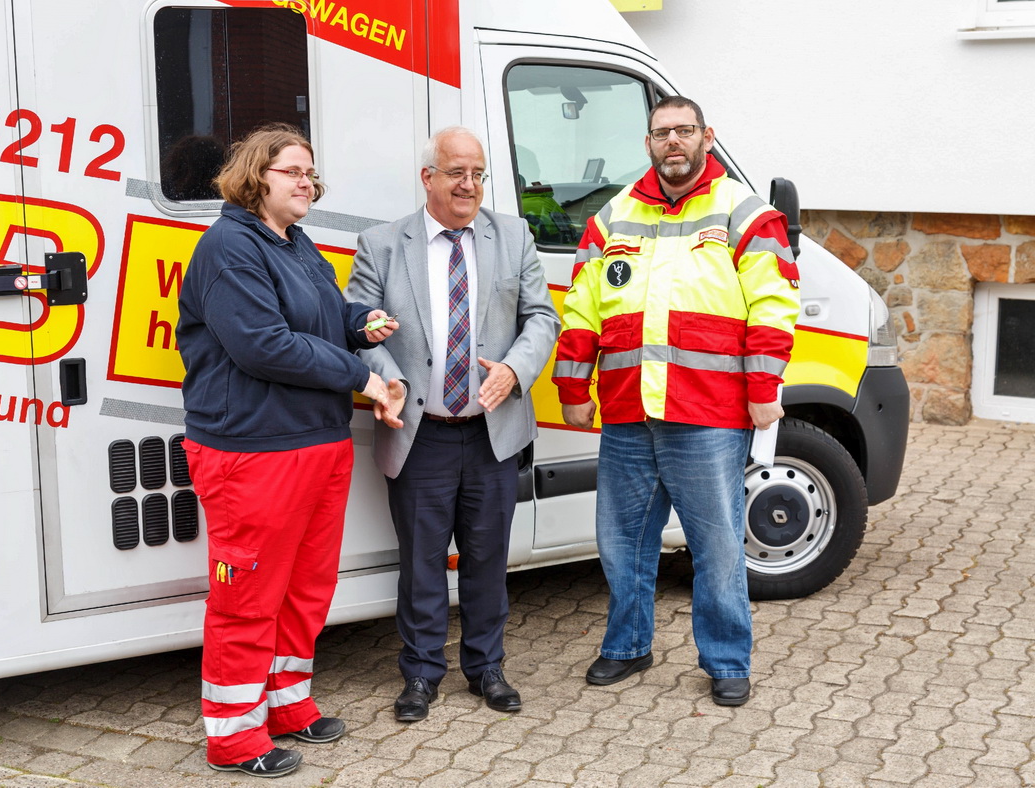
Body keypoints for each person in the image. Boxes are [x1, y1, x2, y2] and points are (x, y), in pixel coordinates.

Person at [552, 97, 801, 707]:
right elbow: (583, 308)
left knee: (716, 546)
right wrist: (571, 385)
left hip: (708, 414)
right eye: (662, 133)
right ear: (648, 144)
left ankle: (726, 660)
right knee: (622, 542)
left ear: (706, 137)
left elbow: (773, 307)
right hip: (629, 412)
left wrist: (764, 389)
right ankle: (627, 646)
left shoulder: (745, 213)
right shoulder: (612, 217)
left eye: (684, 131)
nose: (673, 143)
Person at [176, 123, 403, 778]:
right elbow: (262, 345)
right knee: (247, 596)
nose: (308, 182)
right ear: (255, 176)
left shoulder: (296, 244)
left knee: (305, 588)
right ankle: (234, 737)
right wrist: (363, 376)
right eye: (293, 171)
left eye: (311, 172)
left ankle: (286, 700)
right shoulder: (227, 247)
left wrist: (360, 323)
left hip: (316, 444)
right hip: (253, 452)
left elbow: (324, 314)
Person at [345, 126, 560, 722]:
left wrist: (515, 371)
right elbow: (358, 323)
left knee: (489, 557)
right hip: (422, 434)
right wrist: (386, 376)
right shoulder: (383, 244)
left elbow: (542, 318)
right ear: (428, 178)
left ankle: (486, 667)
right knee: (420, 562)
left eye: (478, 173)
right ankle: (419, 675)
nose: (469, 185)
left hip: (493, 431)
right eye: (457, 172)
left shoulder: (513, 236)